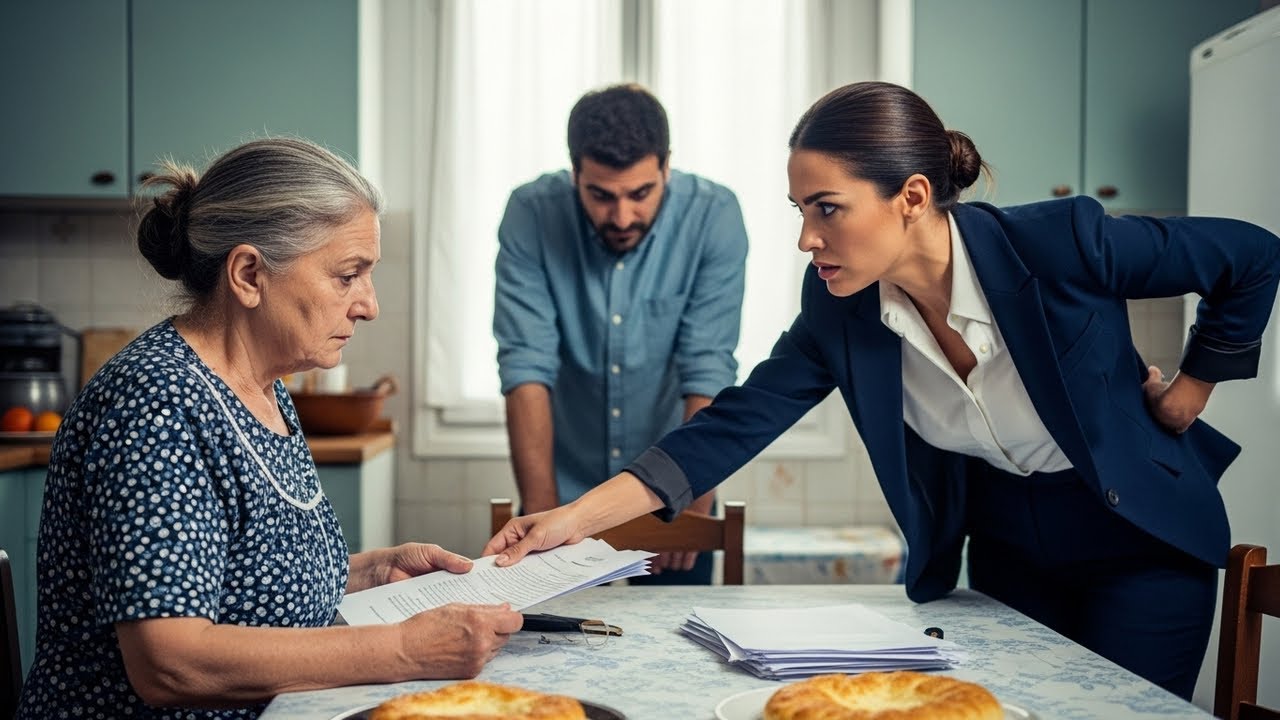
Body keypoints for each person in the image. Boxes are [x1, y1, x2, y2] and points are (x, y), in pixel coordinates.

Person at [485, 81, 1280, 699]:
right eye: (800, 209)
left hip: (1138, 544)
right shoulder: (840, 311)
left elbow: (1248, 256)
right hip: (1006, 554)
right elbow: (730, 427)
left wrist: (1189, 392)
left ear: (910, 196)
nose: (807, 237)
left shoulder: (1059, 242)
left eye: (827, 209)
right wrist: (567, 521)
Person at [17, 138, 522, 719]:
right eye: (347, 275)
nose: (368, 305)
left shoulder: (262, 387)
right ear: (250, 274)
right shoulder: (155, 405)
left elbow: (247, 582)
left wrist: (372, 571)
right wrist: (404, 648)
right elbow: (170, 661)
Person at [492, 83, 749, 584]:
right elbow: (525, 366)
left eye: (641, 193)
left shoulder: (714, 216)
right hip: (563, 494)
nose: (623, 216)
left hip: (677, 487)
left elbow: (707, 369)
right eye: (601, 196)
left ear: (665, 166)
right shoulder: (530, 214)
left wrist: (693, 506)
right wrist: (543, 509)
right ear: (575, 173)